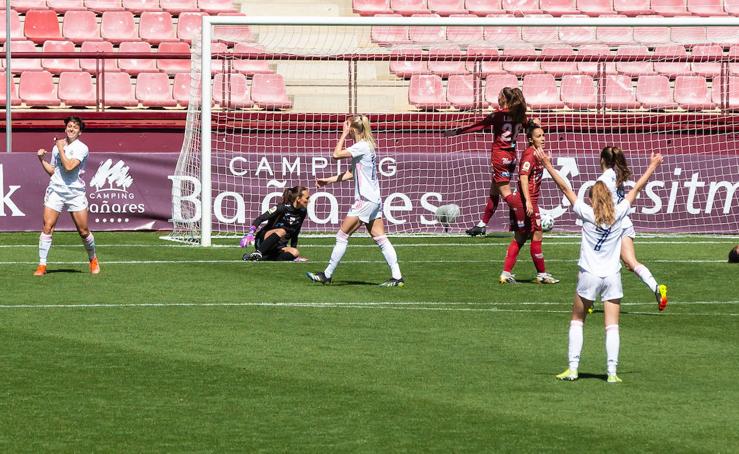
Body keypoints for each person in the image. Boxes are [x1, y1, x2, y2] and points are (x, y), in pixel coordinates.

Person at [535, 147, 664, 384]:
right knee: (612, 326)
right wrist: (653, 166)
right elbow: (637, 189)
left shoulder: (586, 212)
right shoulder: (620, 213)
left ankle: (573, 369)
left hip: (589, 275)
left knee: (577, 320)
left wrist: (547, 165)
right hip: (612, 276)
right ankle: (612, 373)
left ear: (594, 197)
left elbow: (565, 188)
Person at [306, 115, 404, 287]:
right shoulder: (367, 146)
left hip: (365, 200)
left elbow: (336, 154)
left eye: (347, 127)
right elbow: (352, 173)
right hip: (373, 199)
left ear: (352, 129)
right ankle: (397, 277)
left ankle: (327, 275)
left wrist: (343, 134)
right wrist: (327, 181)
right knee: (380, 238)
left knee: (342, 235)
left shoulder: (361, 146)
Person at [445, 87, 532, 237]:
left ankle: (529, 222)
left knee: (506, 194)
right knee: (494, 192)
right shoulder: (520, 116)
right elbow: (530, 127)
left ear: (504, 99)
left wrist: (459, 131)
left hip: (499, 158)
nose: (497, 97)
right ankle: (482, 225)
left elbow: (478, 126)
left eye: (499, 95)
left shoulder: (497, 116)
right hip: (511, 158)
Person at [599, 146, 668, 311]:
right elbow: (636, 188)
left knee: (599, 262)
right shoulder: (618, 176)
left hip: (611, 225)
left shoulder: (603, 180)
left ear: (601, 159)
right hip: (625, 222)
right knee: (631, 263)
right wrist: (652, 166)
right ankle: (656, 288)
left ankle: (588, 301)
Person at [34, 116, 99, 276]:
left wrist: (61, 148)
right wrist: (41, 160)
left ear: (80, 132)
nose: (71, 129)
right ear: (65, 128)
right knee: (47, 227)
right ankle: (42, 265)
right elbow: (53, 171)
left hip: (74, 192)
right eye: (69, 126)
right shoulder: (58, 146)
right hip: (56, 190)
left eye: (75, 127)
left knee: (83, 231)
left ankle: (93, 259)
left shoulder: (81, 148)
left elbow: (69, 167)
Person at [499, 125, 559, 285]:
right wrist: (527, 202)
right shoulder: (530, 155)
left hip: (526, 200)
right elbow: (523, 177)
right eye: (539, 136)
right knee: (537, 234)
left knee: (520, 236)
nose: (543, 138)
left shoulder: (538, 154)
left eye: (544, 135)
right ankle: (542, 275)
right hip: (527, 200)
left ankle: (505, 274)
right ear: (531, 139)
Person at [241, 186, 310, 262]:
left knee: (295, 252)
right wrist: (250, 233)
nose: (309, 200)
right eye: (307, 198)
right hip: (263, 240)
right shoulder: (281, 208)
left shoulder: (303, 211)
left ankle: (256, 257)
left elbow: (296, 232)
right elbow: (260, 218)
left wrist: (294, 253)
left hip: (279, 245)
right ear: (298, 199)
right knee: (282, 231)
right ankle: (258, 252)